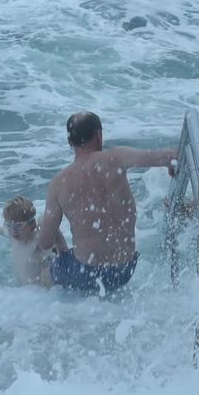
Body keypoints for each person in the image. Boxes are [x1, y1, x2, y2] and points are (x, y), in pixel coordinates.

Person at [34, 111, 177, 294]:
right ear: (99, 135)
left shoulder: (59, 183)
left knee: (44, 272)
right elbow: (169, 155)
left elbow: (45, 242)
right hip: (123, 270)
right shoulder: (116, 158)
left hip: (84, 273)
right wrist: (170, 163)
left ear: (70, 142)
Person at [0, 195, 52, 286]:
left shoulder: (38, 240)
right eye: (9, 225)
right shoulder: (13, 236)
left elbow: (48, 225)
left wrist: (41, 221)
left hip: (37, 289)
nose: (14, 231)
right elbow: (2, 230)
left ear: (32, 224)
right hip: (22, 290)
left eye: (19, 226)